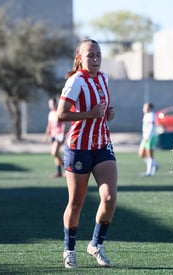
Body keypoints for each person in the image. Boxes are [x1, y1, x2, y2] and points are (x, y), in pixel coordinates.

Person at [57, 39, 117, 268]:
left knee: (110, 199)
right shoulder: (75, 81)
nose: (95, 59)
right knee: (76, 203)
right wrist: (89, 114)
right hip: (79, 147)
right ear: (80, 57)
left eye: (98, 55)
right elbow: (61, 115)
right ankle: (69, 249)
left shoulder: (104, 78)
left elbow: (102, 110)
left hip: (102, 144)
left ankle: (95, 245)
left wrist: (107, 113)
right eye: (90, 55)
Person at [43, 97, 65, 178]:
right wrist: (46, 136)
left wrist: (62, 133)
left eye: (52, 103)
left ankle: (66, 168)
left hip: (58, 136)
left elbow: (63, 123)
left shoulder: (59, 112)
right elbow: (49, 126)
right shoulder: (50, 113)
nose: (50, 105)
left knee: (54, 152)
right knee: (55, 155)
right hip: (53, 136)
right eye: (49, 104)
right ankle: (59, 172)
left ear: (56, 104)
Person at [139, 102, 159, 176]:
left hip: (151, 137)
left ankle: (149, 172)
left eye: (145, 107)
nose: (144, 109)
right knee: (141, 154)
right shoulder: (146, 115)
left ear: (149, 108)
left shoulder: (152, 115)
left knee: (149, 154)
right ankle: (155, 165)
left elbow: (151, 127)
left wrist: (148, 136)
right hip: (145, 137)